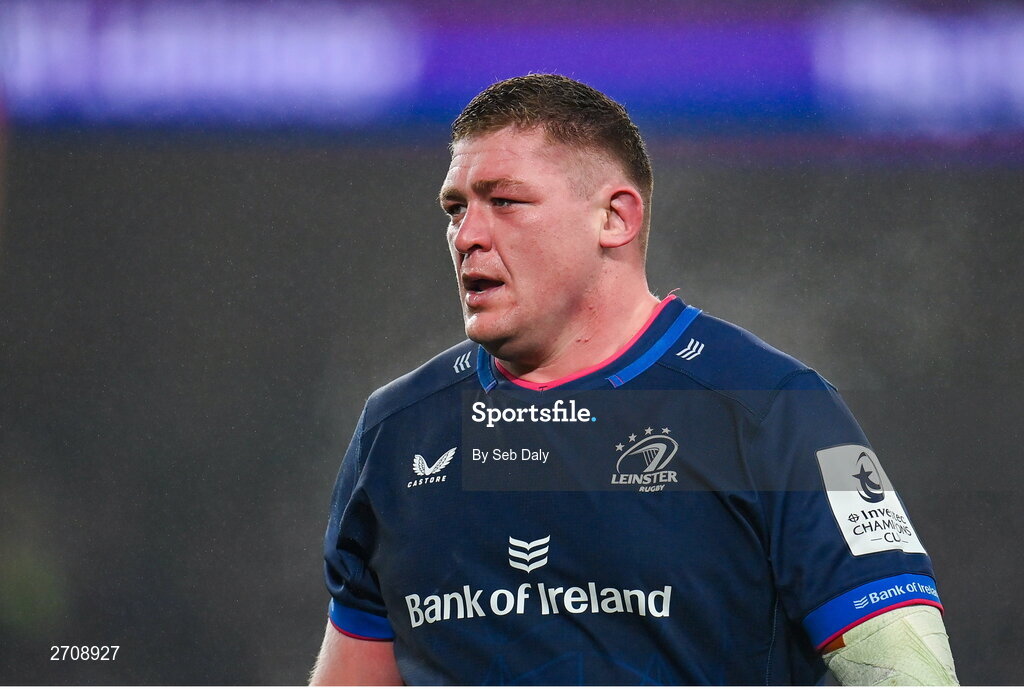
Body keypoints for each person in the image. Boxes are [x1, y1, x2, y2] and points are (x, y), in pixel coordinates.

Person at [309, 74, 958, 686]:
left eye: (504, 201)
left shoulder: (783, 412)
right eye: (456, 208)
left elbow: (915, 676)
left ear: (615, 218)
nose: (467, 235)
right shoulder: (396, 433)